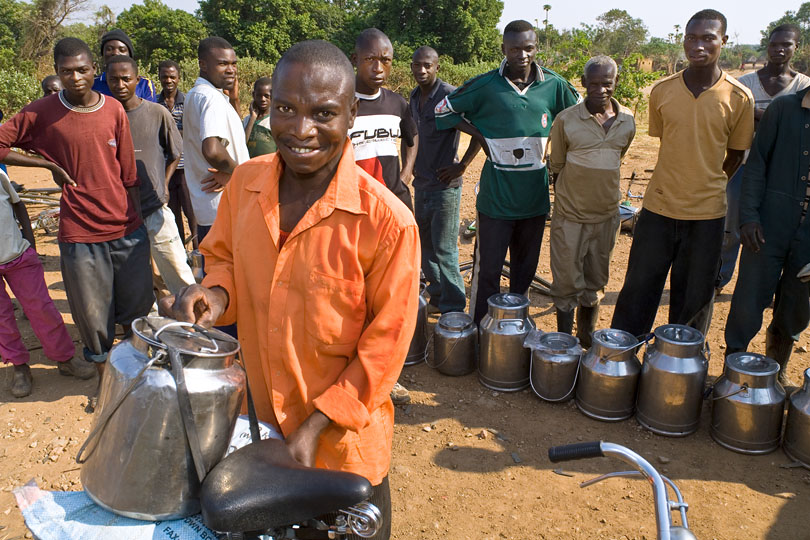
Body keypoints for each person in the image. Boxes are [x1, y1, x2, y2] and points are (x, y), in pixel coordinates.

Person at [162, 40, 420, 540]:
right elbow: (224, 258)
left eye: (323, 113)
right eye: (286, 109)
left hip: (341, 451)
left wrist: (314, 430)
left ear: (351, 115)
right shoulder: (246, 183)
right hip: (258, 432)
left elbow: (384, 347)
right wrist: (215, 294)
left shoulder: (387, 222)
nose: (301, 131)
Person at [0, 38, 153, 381]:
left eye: (83, 70)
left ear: (94, 69)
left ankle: (133, 379)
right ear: (56, 72)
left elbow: (129, 175)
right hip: (80, 233)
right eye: (66, 71)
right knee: (92, 314)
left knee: (136, 309)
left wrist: (138, 226)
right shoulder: (41, 112)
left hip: (126, 228)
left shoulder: (113, 109)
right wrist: (45, 165)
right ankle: (103, 377)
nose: (76, 77)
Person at [609, 10, 754, 338]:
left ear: (724, 42)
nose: (698, 45)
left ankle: (680, 374)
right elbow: (668, 143)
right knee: (638, 292)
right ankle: (622, 365)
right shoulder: (662, 92)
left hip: (707, 216)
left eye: (708, 38)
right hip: (658, 210)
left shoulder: (738, 97)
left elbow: (735, 155)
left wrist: (707, 182)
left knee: (693, 300)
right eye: (692, 37)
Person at [435, 19, 580, 324]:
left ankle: (513, 333)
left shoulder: (553, 86)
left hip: (535, 200)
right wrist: (480, 134)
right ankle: (479, 331)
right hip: (496, 200)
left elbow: (581, 113)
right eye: (515, 49)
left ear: (536, 48)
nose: (522, 55)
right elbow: (443, 110)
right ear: (503, 49)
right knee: (488, 271)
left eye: (528, 48)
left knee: (524, 273)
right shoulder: (487, 85)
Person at [724, 84, 810, 387]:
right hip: (769, 226)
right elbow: (757, 164)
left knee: (797, 305)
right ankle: (732, 368)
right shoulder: (784, 109)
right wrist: (748, 217)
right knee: (749, 300)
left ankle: (778, 368)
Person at [548, 56, 636, 347]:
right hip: (570, 217)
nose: (600, 90)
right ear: (583, 83)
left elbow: (617, 158)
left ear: (616, 83)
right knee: (565, 282)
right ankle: (563, 345)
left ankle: (586, 339)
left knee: (596, 280)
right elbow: (557, 165)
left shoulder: (628, 122)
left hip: (606, 217)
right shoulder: (566, 120)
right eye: (594, 83)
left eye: (606, 83)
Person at [716, 24, 810, 293]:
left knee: (778, 231)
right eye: (774, 44)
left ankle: (769, 287)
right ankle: (720, 279)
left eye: (786, 44)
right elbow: (733, 122)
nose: (779, 49)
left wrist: (758, 116)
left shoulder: (803, 86)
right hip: (742, 164)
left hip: (785, 172)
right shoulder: (745, 83)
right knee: (731, 226)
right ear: (766, 46)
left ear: (796, 48)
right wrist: (776, 119)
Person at [106, 55, 195, 296]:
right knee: (136, 274)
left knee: (177, 269)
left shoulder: (156, 113)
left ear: (137, 80)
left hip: (154, 205)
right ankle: (149, 322)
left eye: (126, 79)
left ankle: (193, 321)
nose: (120, 85)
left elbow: (175, 152)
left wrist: (164, 184)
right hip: (120, 212)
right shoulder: (104, 117)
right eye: (114, 80)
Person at [409, 46, 479, 314]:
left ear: (437, 67)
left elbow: (478, 131)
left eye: (427, 65)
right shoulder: (414, 97)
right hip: (422, 184)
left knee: (445, 250)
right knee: (425, 248)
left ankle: (454, 307)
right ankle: (437, 295)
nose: (422, 70)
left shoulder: (450, 96)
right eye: (417, 65)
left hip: (445, 188)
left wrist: (461, 165)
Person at [0, 169, 79, 397]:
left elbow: (18, 205)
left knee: (41, 308)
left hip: (18, 256)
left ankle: (65, 359)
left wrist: (31, 243)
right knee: (2, 319)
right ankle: (19, 367)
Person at [183, 36, 249, 244]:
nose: (231, 69)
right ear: (202, 65)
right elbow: (212, 149)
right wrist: (236, 173)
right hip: (224, 206)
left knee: (214, 272)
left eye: (233, 64)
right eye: (222, 64)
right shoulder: (210, 98)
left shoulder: (196, 94)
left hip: (209, 208)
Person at [349, 28, 418, 212]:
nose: (378, 68)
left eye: (385, 60)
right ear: (355, 59)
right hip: (354, 205)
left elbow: (412, 135)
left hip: (394, 201)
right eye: (370, 59)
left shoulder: (397, 103)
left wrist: (407, 171)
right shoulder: (339, 105)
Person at [157, 59, 198, 249]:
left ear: (179, 78)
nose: (169, 80)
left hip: (185, 167)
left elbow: (192, 131)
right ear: (159, 77)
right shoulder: (156, 104)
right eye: (165, 76)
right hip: (165, 168)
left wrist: (172, 135)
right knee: (173, 215)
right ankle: (182, 255)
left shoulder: (187, 101)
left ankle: (199, 252)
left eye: (172, 76)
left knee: (192, 213)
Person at [92, 29, 157, 102]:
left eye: (122, 50)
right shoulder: (92, 84)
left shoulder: (144, 84)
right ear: (102, 54)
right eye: (109, 49)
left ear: (129, 54)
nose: (115, 53)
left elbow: (150, 110)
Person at [243, 77, 277, 158]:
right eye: (259, 95)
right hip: (249, 166)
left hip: (269, 167)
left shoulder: (275, 120)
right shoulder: (247, 119)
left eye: (266, 96)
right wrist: (252, 119)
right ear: (253, 95)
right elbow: (241, 145)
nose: (262, 99)